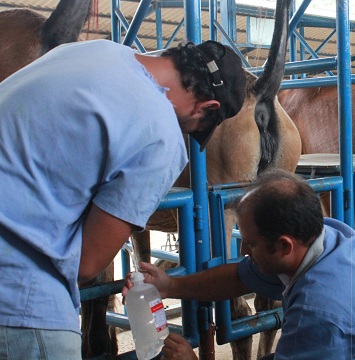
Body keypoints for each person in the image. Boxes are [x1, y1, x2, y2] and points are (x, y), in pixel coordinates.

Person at [0, 38, 247, 359]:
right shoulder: (160, 132)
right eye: (195, 128)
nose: (185, 131)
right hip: (18, 295)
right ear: (206, 108)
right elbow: (87, 264)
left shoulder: (92, 49)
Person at [123, 169, 355, 359]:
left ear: (285, 246)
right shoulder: (325, 236)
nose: (244, 250)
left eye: (251, 243)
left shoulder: (317, 313)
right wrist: (171, 286)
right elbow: (239, 277)